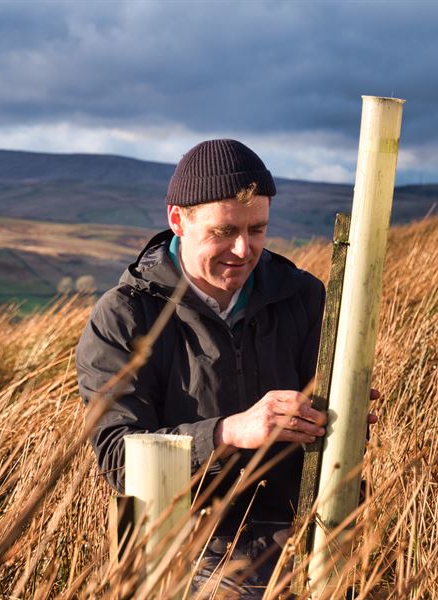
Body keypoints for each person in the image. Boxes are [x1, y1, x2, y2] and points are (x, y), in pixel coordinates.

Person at [76, 139, 329, 596]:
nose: (242, 249)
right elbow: (118, 459)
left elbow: (324, 436)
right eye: (223, 231)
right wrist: (226, 432)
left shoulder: (303, 296)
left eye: (257, 230)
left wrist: (341, 419)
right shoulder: (124, 316)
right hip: (177, 543)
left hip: (298, 535)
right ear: (178, 220)